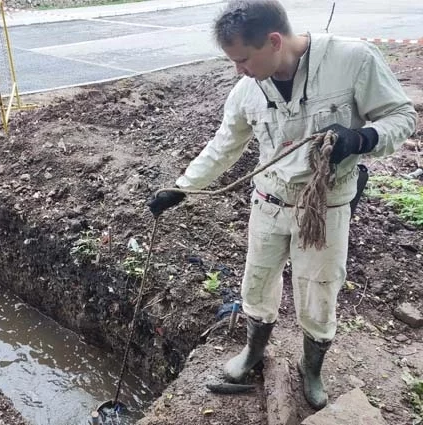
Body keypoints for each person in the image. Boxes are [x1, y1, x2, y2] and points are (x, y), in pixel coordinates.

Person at [148, 0, 417, 410]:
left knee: (318, 293)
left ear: (274, 41)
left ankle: (311, 368)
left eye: (242, 59)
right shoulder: (247, 90)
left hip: (324, 209)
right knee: (256, 281)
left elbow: (402, 117)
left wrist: (360, 139)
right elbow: (224, 146)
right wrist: (181, 188)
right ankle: (254, 353)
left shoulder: (353, 61)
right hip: (269, 202)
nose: (238, 70)